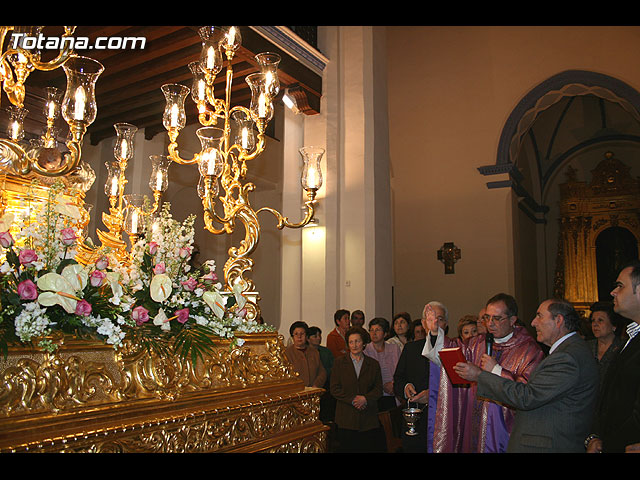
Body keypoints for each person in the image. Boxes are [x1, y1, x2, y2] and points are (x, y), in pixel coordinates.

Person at [454, 299, 599, 452]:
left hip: (549, 444)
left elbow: (527, 397)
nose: (533, 322)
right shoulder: (569, 350)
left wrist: (480, 376)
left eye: (539, 316)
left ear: (558, 320)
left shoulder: (566, 357)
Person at [423, 293, 544, 453]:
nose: (490, 324)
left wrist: (495, 370)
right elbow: (450, 351)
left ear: (512, 320)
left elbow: (528, 394)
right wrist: (434, 332)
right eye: (487, 318)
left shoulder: (529, 351)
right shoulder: (477, 343)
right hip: (474, 425)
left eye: (497, 318)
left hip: (505, 432)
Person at [587, 260, 640, 453]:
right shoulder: (631, 337)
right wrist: (595, 436)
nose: (613, 292)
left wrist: (608, 444)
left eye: (620, 286)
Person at [393, 301, 444, 452]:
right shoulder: (411, 349)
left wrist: (433, 395)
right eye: (430, 319)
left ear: (446, 323)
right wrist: (405, 387)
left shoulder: (453, 348)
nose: (435, 323)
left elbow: (461, 387)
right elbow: (398, 379)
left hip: (443, 419)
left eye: (439, 319)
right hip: (416, 421)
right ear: (423, 323)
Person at [330, 326, 385, 452]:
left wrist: (365, 399)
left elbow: (378, 389)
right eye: (351, 342)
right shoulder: (339, 363)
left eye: (358, 341)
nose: (354, 345)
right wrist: (354, 399)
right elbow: (334, 388)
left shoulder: (373, 364)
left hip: (368, 417)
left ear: (364, 343)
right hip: (346, 417)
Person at [586, 301, 626, 394]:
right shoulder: (586, 347)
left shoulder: (623, 347)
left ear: (613, 326)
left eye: (600, 320)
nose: (595, 324)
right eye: (593, 320)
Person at [364, 317, 401, 412]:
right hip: (374, 395)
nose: (374, 333)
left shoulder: (394, 348)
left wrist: (394, 384)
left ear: (385, 333)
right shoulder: (365, 350)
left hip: (392, 393)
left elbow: (401, 370)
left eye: (377, 330)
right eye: (371, 330)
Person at [284, 321, 327, 388]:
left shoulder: (314, 352)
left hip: (313, 391)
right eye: (296, 334)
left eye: (302, 334)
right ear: (292, 337)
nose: (299, 336)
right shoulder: (286, 354)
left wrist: (316, 385)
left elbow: (322, 372)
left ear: (306, 336)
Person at [308, 326, 335, 423]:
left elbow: (333, 367)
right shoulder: (306, 352)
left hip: (326, 384)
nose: (318, 338)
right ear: (308, 338)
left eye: (319, 336)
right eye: (315, 336)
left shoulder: (326, 351)